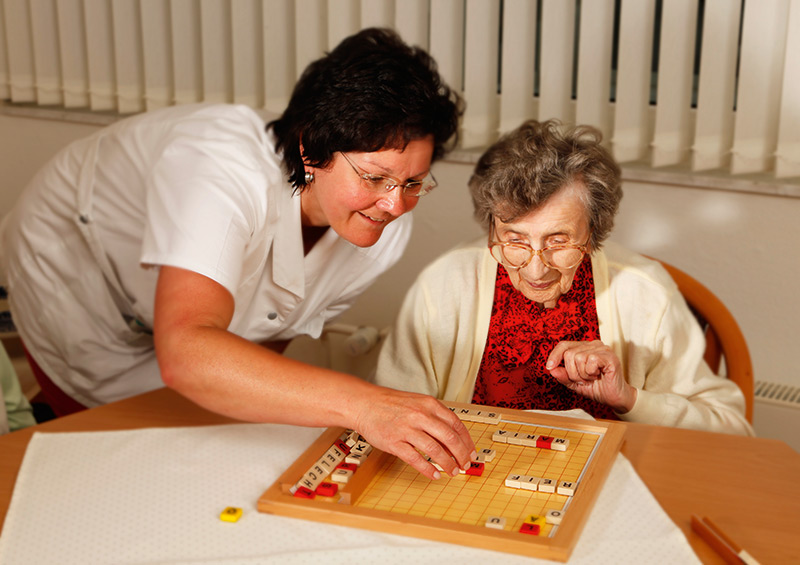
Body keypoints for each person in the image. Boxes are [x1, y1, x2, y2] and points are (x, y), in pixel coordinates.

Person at [0, 28, 477, 477]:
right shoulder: (221, 167)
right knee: (100, 451)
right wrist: (364, 404)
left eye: (413, 182)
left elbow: (271, 330)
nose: (395, 205)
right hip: (80, 279)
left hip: (182, 328)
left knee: (191, 441)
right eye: (374, 178)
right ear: (312, 151)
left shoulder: (381, 227)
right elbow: (188, 352)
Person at [373, 119, 753, 436]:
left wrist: (630, 398)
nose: (537, 270)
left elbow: (733, 430)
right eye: (515, 240)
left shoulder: (643, 291)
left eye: (559, 241)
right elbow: (392, 414)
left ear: (594, 233)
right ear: (492, 229)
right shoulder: (445, 284)